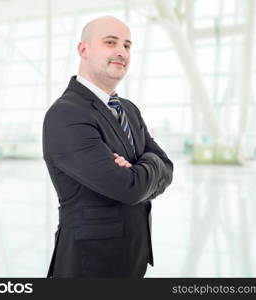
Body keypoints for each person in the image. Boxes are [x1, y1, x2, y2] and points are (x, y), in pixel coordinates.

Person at [43, 16, 173, 278]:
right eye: (110, 42)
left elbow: (167, 168)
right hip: (89, 266)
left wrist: (139, 167)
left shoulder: (129, 110)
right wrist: (147, 165)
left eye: (127, 45)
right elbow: (128, 188)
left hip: (131, 261)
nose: (121, 52)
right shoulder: (66, 114)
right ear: (84, 50)